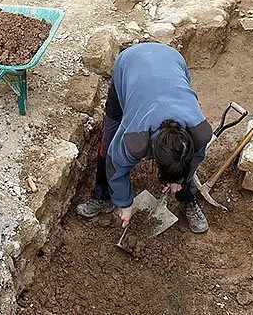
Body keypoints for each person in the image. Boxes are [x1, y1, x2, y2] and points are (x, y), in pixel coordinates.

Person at [75, 43, 213, 234]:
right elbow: (116, 165)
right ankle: (103, 197)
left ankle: (187, 199)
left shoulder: (200, 133)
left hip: (172, 62)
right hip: (130, 65)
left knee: (181, 167)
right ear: (153, 153)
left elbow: (193, 161)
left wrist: (180, 179)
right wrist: (125, 203)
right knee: (109, 141)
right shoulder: (136, 140)